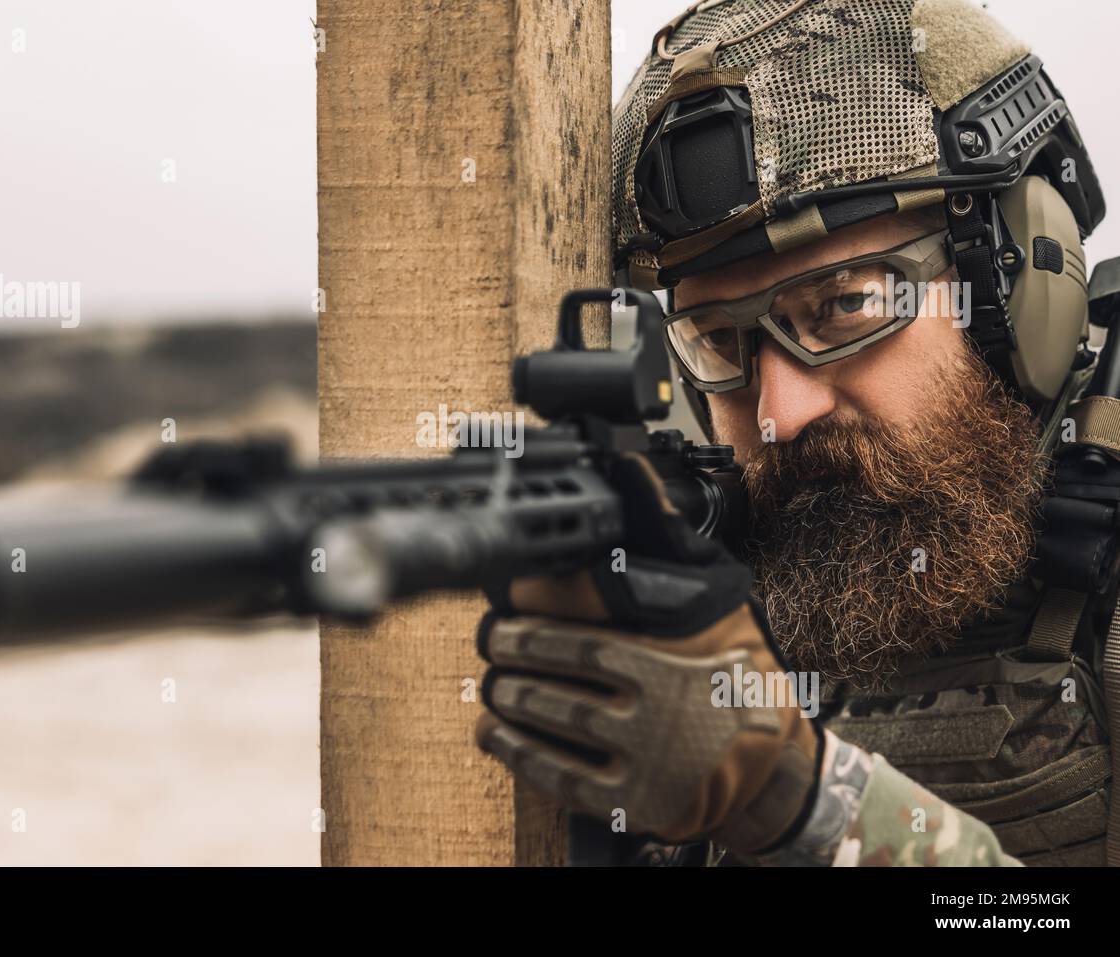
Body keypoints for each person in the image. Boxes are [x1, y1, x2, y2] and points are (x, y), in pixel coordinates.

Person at [475, 0, 1117, 866]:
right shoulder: (715, 597)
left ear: (1020, 289)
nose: (779, 411)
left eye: (847, 304)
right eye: (718, 340)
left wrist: (795, 798)